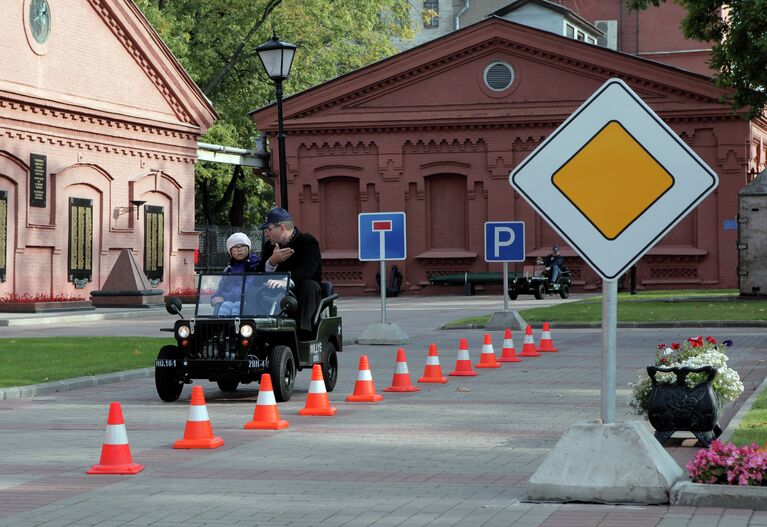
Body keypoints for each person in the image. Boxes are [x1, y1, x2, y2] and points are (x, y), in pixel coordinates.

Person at [257, 207, 322, 338]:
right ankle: (257, 329)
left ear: (281, 228)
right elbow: (258, 273)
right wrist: (272, 262)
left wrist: (285, 281)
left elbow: (308, 270)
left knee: (309, 285)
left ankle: (304, 334)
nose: (266, 234)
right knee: (254, 287)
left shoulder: (307, 242)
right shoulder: (269, 246)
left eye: (268, 229)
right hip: (274, 292)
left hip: (300, 293)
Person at [211, 232, 260, 316]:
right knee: (224, 309)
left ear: (249, 248)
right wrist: (215, 298)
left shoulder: (255, 265)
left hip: (248, 301)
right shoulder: (229, 269)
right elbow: (221, 287)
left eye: (243, 246)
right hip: (231, 300)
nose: (239, 250)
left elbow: (247, 286)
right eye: (235, 247)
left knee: (236, 307)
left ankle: (237, 328)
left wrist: (224, 297)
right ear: (230, 251)